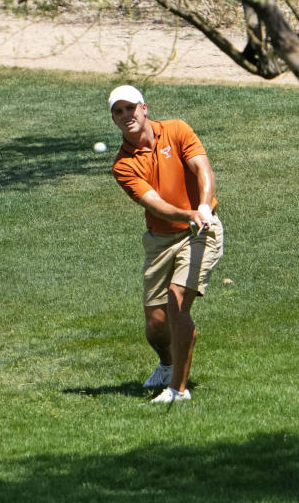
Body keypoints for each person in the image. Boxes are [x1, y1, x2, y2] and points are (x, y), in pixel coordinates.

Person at [107, 85, 224, 404]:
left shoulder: (177, 129)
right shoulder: (123, 165)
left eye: (130, 108)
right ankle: (168, 363)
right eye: (118, 112)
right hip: (160, 240)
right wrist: (187, 213)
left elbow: (203, 168)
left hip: (201, 231)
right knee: (156, 325)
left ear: (144, 108)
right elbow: (155, 203)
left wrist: (202, 206)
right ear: (114, 120)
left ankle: (178, 389)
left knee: (177, 302)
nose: (125, 115)